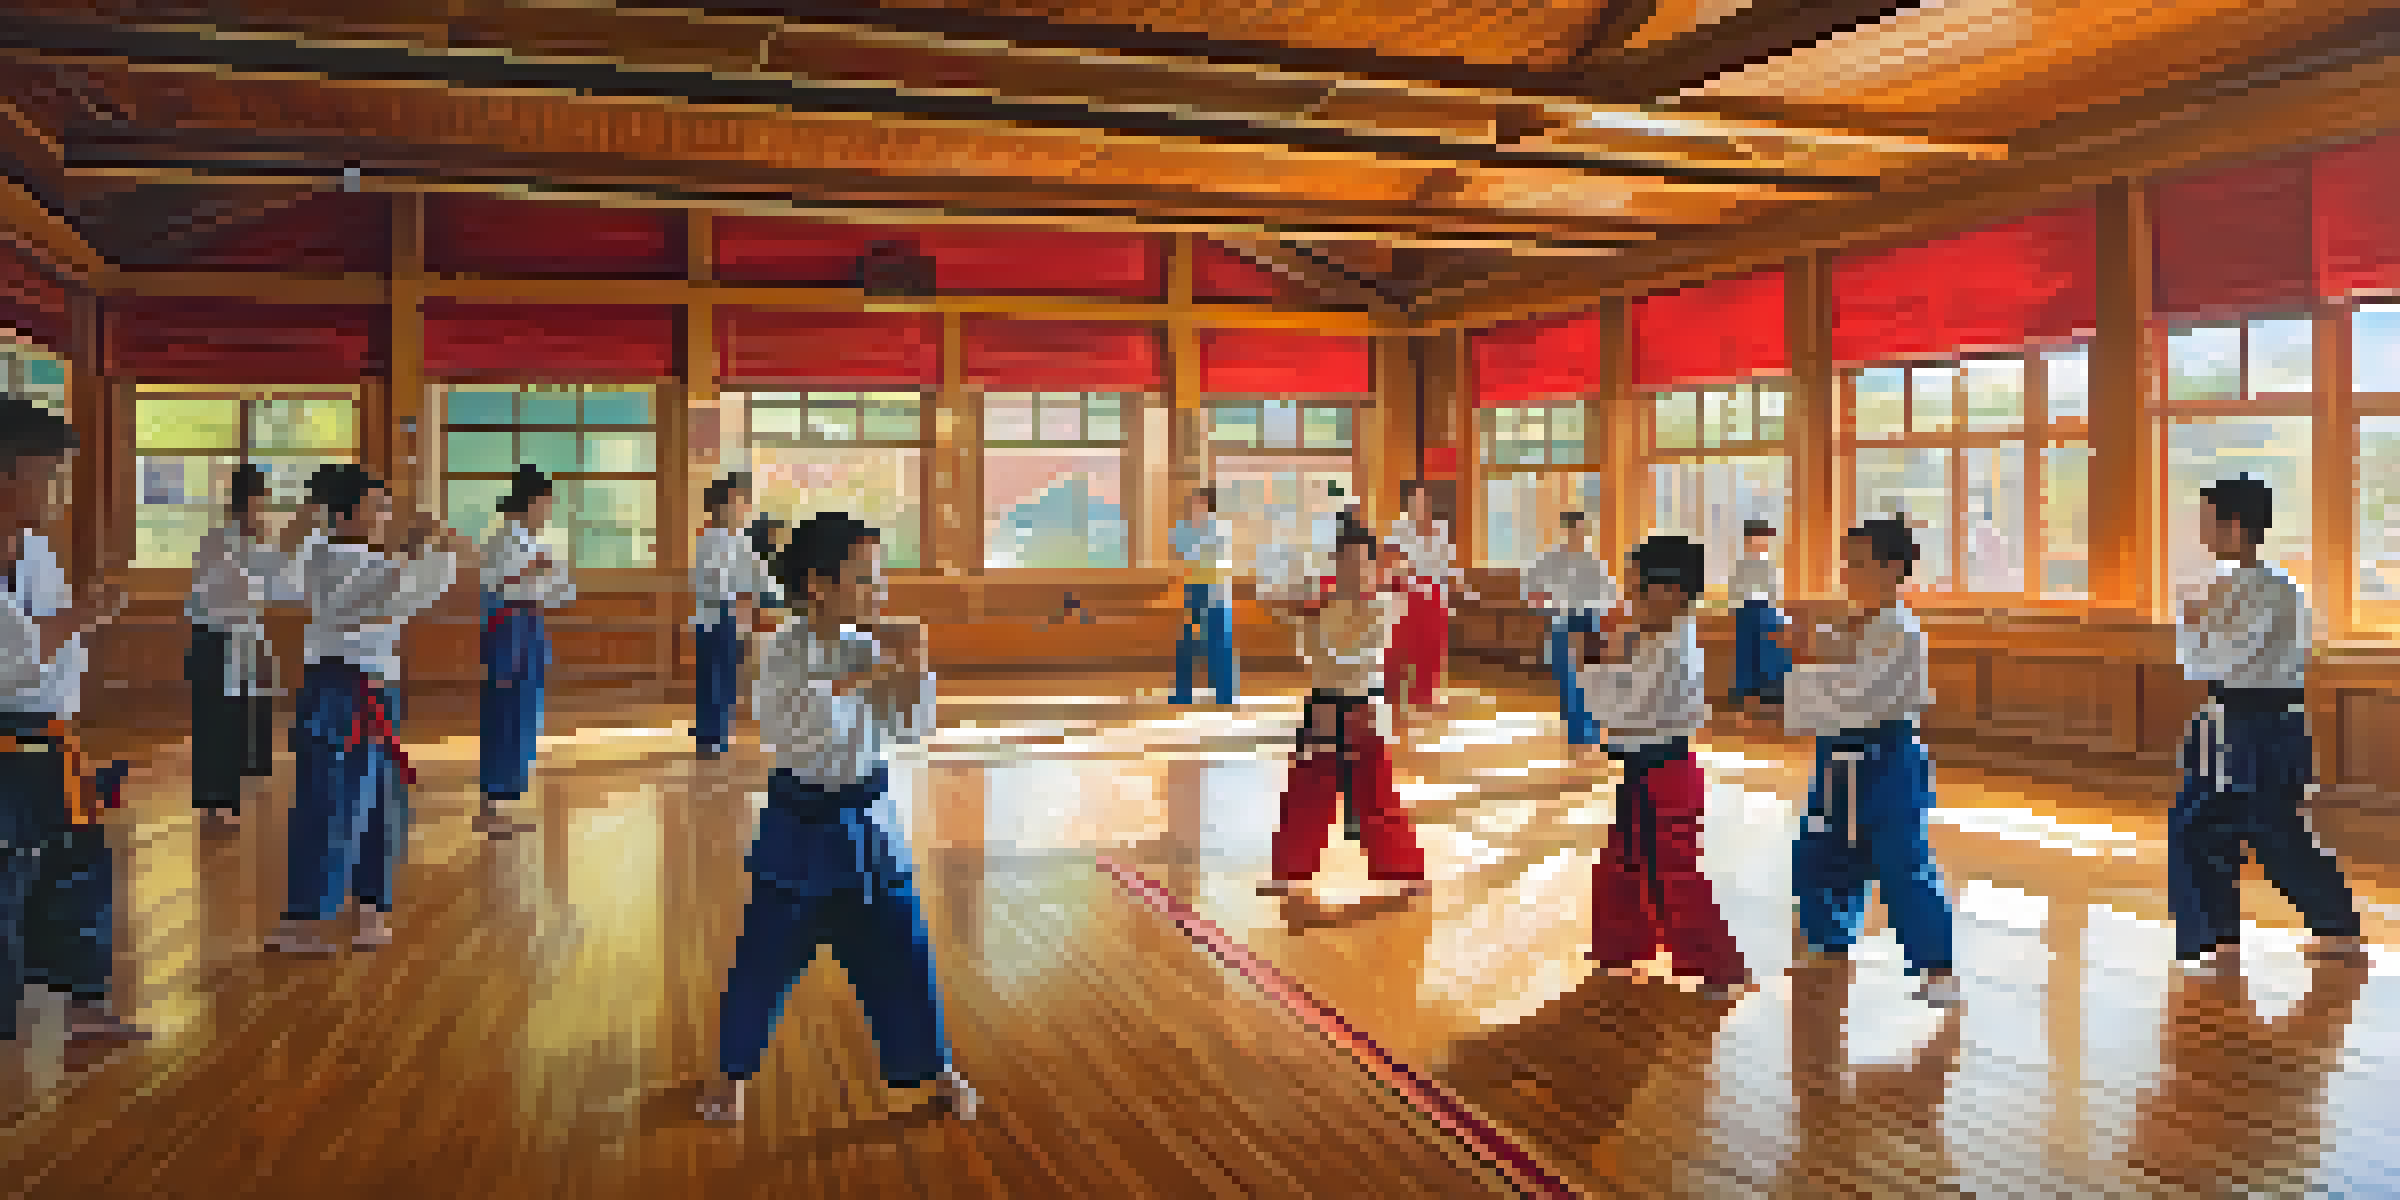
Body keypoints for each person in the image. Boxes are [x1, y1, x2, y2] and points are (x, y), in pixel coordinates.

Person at [699, 511, 977, 1125]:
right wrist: (879, 671)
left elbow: (910, 729)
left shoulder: (867, 646)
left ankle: (935, 1066)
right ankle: (730, 1071)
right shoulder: (783, 651)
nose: (878, 595)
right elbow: (793, 729)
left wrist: (915, 666)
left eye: (880, 583)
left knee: (904, 953)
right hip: (799, 827)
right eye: (865, 582)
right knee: (762, 961)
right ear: (819, 585)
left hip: (869, 826)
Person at [266, 465, 468, 956]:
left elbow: (402, 590)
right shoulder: (329, 557)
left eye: (385, 506)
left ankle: (369, 909)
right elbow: (393, 597)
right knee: (330, 802)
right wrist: (428, 547)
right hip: (340, 690)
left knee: (380, 802)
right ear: (346, 513)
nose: (384, 515)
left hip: (374, 690)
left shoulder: (366, 559)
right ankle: (303, 921)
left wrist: (426, 548)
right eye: (376, 506)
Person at [2168, 475, 2363, 974]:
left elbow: (2223, 661)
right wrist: (2196, 624)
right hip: (2233, 721)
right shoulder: (2244, 587)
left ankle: (2337, 927)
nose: (2203, 531)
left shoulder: (2267, 591)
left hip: (2259, 723)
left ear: (2234, 526)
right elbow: (2209, 663)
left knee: (2271, 828)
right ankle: (2218, 938)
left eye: (2209, 521)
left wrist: (2192, 623)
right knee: (2200, 825)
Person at [0, 391, 142, 1042]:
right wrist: (87, 614)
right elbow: (17, 656)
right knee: (10, 875)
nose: (58, 492)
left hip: (48, 732)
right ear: (8, 475)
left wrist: (81, 615)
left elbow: (49, 648)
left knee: (78, 864)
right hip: (7, 736)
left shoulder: (34, 551)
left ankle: (83, 1006)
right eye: (49, 474)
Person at [1777, 518, 1960, 1009]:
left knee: (1904, 862)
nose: (1847, 573)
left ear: (1892, 568)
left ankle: (1937, 967)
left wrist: (1806, 665)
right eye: (1846, 563)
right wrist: (1811, 648)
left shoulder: (1900, 629)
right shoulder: (1865, 623)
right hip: (1840, 757)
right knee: (1822, 849)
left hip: (1887, 757)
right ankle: (1828, 939)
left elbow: (1861, 692)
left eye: (1858, 563)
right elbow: (1838, 658)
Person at [1577, 536, 1747, 994]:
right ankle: (1621, 948)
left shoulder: (1669, 648)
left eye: (1636, 590)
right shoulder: (1663, 636)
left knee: (1674, 874)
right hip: (1647, 769)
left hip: (1665, 773)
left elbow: (1620, 711)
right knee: (1626, 860)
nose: (1629, 601)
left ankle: (1720, 970)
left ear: (1669, 593)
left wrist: (1595, 665)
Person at [1257, 520, 1428, 900]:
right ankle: (1288, 873)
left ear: (1373, 565)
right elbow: (1311, 658)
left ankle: (1407, 872)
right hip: (1323, 702)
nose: (1355, 569)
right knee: (1307, 789)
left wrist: (1310, 622)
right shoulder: (1322, 606)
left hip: (1363, 705)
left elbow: (1358, 660)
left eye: (1362, 562)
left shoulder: (1386, 606)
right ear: (1336, 563)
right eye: (1347, 561)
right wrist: (1304, 618)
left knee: (1376, 792)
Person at [187, 464, 311, 832]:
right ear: (249, 504)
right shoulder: (228, 543)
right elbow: (271, 587)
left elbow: (277, 590)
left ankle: (221, 801)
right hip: (217, 639)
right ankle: (218, 805)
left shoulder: (228, 542)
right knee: (218, 722)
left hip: (227, 638)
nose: (263, 511)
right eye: (260, 503)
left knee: (226, 720)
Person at [477, 464, 572, 839]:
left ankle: (504, 800)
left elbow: (562, 589)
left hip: (529, 625)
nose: (548, 512)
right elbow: (502, 585)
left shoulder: (537, 542)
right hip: (508, 629)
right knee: (503, 713)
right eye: (545, 503)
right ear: (529, 503)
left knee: (524, 714)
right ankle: (491, 804)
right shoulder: (503, 540)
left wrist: (546, 574)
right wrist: (537, 573)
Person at [691, 474, 772, 759]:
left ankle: (711, 732)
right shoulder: (719, 539)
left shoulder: (729, 539)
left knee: (715, 676)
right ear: (721, 506)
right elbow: (741, 580)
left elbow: (754, 577)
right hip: (719, 614)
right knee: (718, 677)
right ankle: (713, 735)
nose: (743, 509)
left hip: (715, 615)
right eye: (738, 502)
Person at [1523, 511, 1616, 748]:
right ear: (1566, 531)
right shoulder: (1550, 560)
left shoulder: (1593, 561)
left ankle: (1589, 733)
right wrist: (1548, 603)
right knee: (1568, 681)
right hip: (1563, 622)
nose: (1579, 535)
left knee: (1590, 680)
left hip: (1589, 622)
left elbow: (1609, 595)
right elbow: (1530, 592)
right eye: (1575, 530)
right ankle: (1578, 734)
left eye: (1583, 530)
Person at [1387, 481, 1463, 720]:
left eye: (1422, 500)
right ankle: (1392, 694)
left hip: (1434, 592)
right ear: (1407, 504)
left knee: (1432, 644)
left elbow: (1447, 563)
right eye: (1414, 501)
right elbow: (1393, 563)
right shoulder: (1398, 529)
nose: (1419, 505)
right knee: (1401, 644)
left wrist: (1452, 587)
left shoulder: (1439, 528)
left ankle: (1426, 696)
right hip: (1406, 592)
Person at [1169, 486, 1238, 706]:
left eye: (1198, 502)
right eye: (1192, 502)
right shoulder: (1184, 527)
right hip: (1193, 589)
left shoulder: (1220, 527)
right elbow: (1179, 551)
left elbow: (1213, 555)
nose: (1194, 506)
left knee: (1219, 643)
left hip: (1216, 589)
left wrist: (1194, 550)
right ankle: (1183, 693)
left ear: (1209, 505)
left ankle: (1224, 694)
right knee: (1187, 642)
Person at [1728, 519, 1793, 719]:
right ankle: (1747, 693)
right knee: (1747, 652)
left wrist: (1780, 614)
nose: (1761, 541)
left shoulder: (1769, 564)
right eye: (1758, 537)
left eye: (1764, 538)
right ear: (1749, 539)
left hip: (1766, 612)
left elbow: (1775, 594)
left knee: (1770, 651)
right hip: (1747, 612)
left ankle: (1772, 692)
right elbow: (1735, 591)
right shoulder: (1741, 564)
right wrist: (1735, 611)